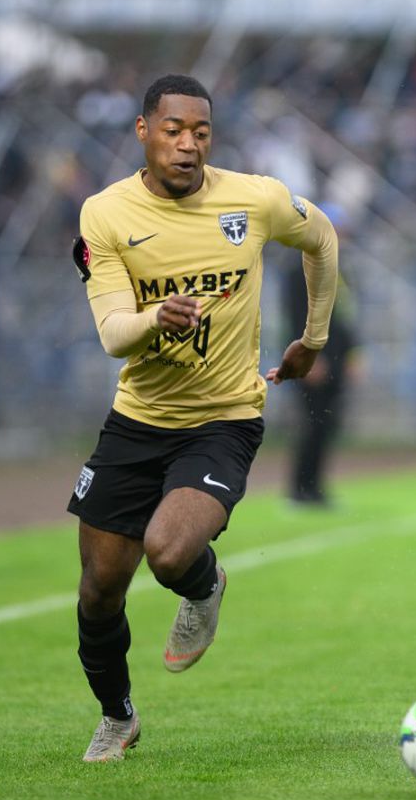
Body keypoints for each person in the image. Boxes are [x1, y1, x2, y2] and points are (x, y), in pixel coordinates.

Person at [67, 74, 339, 762]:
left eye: (201, 133)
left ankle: (206, 585)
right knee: (99, 592)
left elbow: (324, 238)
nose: (188, 145)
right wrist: (158, 316)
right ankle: (118, 716)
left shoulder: (256, 198)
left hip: (224, 417)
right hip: (137, 419)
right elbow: (112, 332)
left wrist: (314, 339)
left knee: (168, 550)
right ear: (143, 131)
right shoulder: (104, 214)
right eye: (173, 131)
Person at [280, 225, 356, 507]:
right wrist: (309, 357)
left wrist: (352, 354)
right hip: (315, 359)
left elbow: (345, 316)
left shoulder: (337, 268)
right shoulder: (297, 269)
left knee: (326, 424)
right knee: (312, 424)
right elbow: (296, 315)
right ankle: (299, 489)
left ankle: (315, 487)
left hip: (335, 356)